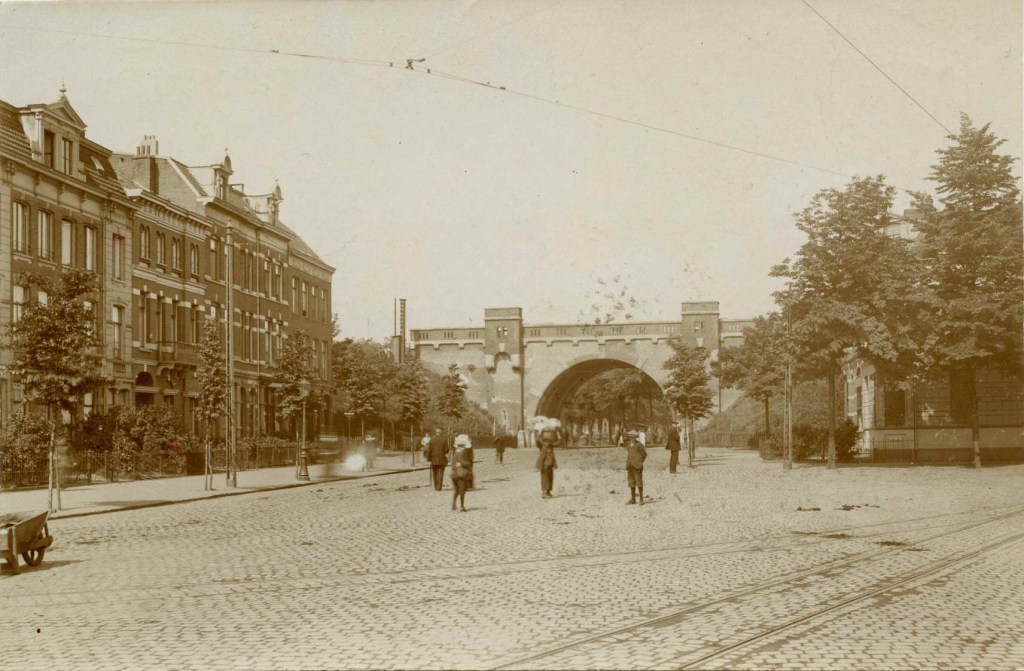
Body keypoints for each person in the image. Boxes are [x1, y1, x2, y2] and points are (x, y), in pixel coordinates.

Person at [535, 417, 561, 499]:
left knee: (549, 476)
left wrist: (558, 434)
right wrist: (539, 435)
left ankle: (548, 491)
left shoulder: (548, 444)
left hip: (548, 462)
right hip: (545, 463)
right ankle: (545, 492)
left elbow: (558, 443)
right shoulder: (544, 445)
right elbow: (538, 442)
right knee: (546, 476)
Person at [449, 434, 474, 512]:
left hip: (454, 474)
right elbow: (463, 463)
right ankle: (462, 506)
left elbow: (454, 464)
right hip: (461, 474)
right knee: (462, 490)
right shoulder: (462, 453)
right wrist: (468, 464)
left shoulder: (455, 453)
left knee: (456, 490)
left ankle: (453, 504)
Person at [625, 429, 647, 505]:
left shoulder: (639, 445)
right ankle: (633, 499)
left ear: (636, 437)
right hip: (630, 465)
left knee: (639, 482)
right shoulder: (628, 444)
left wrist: (640, 462)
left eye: (633, 437)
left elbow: (644, 455)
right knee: (631, 482)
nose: (632, 439)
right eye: (630, 437)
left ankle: (641, 499)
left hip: (637, 466)